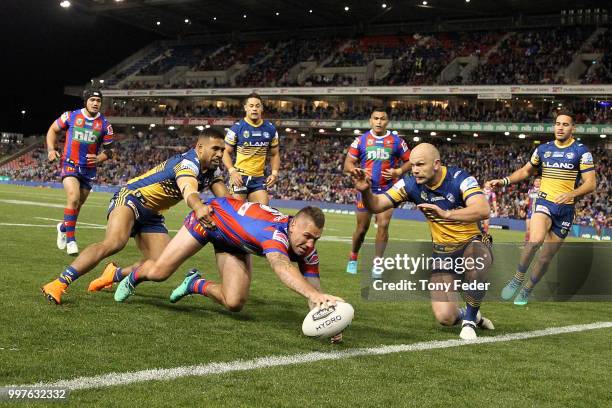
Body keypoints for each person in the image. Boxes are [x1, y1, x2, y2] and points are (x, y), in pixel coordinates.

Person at [41, 129, 228, 305]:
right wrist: (198, 206)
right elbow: (188, 189)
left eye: (222, 150)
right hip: (131, 198)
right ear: (200, 148)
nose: (220, 154)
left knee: (161, 267)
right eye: (216, 149)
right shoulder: (187, 163)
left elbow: (226, 201)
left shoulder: (213, 171)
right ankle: (59, 283)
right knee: (115, 242)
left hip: (153, 215)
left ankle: (114, 274)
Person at [112, 198, 344, 321]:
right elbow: (281, 266)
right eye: (307, 237)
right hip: (209, 221)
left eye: (316, 239)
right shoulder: (273, 232)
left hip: (234, 242)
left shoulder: (307, 250)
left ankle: (195, 284)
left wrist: (329, 317)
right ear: (293, 226)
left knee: (234, 302)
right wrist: (314, 295)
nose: (311, 244)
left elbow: (315, 291)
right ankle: (131, 276)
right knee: (160, 273)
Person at [351, 143, 494, 340]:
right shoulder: (409, 184)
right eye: (412, 165)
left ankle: (468, 321)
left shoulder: (460, 178)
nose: (415, 169)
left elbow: (483, 209)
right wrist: (365, 191)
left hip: (471, 243)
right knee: (445, 317)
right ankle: (471, 315)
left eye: (420, 164)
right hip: (442, 252)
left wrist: (447, 213)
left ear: (436, 164)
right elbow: (376, 205)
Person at [490, 111, 596, 305]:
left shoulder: (581, 151)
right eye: (557, 124)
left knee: (546, 258)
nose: (560, 127)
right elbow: (525, 171)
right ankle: (518, 278)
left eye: (565, 124)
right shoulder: (543, 149)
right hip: (545, 202)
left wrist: (572, 194)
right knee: (535, 240)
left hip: (565, 210)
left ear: (573, 128)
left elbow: (591, 183)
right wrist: (504, 181)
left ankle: (527, 289)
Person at [344, 108, 411, 277]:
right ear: (370, 121)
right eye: (376, 118)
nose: (379, 121)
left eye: (382, 118)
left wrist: (398, 172)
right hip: (366, 189)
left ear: (387, 121)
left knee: (383, 225)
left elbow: (410, 161)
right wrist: (356, 171)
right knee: (361, 229)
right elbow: (348, 165)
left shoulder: (396, 141)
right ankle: (353, 257)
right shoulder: (361, 140)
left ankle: (377, 264)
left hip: (388, 189)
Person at [46, 87, 114, 255]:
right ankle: (71, 241)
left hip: (89, 170)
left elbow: (110, 151)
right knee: (73, 198)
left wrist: (99, 158)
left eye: (98, 101)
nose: (96, 103)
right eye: (92, 100)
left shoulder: (105, 125)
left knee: (77, 206)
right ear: (86, 101)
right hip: (69, 164)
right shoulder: (71, 116)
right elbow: (52, 130)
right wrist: (51, 149)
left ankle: (63, 227)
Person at [223, 92, 280, 205]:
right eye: (251, 106)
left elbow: (275, 154)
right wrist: (232, 172)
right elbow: (225, 152)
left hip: (258, 179)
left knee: (263, 213)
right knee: (237, 215)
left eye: (257, 106)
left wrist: (274, 173)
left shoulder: (270, 129)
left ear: (262, 108)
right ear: (245, 108)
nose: (254, 109)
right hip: (240, 178)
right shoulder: (236, 128)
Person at [524, 177, 541, 242]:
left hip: (539, 212)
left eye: (539, 181)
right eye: (536, 181)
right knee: (528, 228)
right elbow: (527, 200)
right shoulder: (530, 191)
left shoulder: (543, 191)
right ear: (534, 182)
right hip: (530, 211)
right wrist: (523, 208)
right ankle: (526, 243)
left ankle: (538, 244)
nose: (538, 182)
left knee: (537, 229)